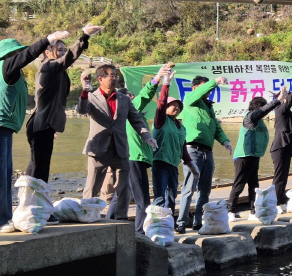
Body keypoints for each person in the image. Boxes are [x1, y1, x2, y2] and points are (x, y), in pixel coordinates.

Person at [0, 31, 70, 233]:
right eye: (17, 52)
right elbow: (28, 55)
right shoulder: (6, 66)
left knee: (4, 176)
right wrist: (47, 40)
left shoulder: (9, 71)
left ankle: (4, 218)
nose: (20, 55)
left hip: (4, 130)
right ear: (10, 55)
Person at [77, 65, 157, 220]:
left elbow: (137, 120)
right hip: (98, 149)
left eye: (115, 75)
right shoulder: (92, 97)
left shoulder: (124, 99)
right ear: (100, 79)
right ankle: (86, 217)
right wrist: (85, 90)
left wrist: (147, 136)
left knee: (124, 188)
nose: (115, 78)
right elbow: (81, 110)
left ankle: (121, 219)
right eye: (111, 76)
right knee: (92, 187)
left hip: (120, 149)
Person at [26, 23, 103, 183]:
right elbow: (69, 57)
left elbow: (55, 100)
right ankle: (34, 202)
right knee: (40, 169)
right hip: (40, 125)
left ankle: (29, 199)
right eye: (59, 50)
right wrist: (84, 36)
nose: (62, 53)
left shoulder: (58, 72)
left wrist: (84, 87)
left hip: (45, 124)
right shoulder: (48, 67)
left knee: (37, 165)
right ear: (47, 53)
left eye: (63, 50)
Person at [176, 75, 232, 234]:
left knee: (205, 190)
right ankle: (181, 222)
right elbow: (200, 92)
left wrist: (225, 141)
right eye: (204, 86)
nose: (209, 91)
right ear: (195, 88)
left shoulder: (209, 107)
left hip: (208, 151)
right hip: (192, 150)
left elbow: (216, 128)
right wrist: (215, 82)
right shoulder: (190, 99)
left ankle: (198, 222)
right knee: (189, 188)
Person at [118, 66, 170, 234]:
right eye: (130, 96)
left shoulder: (131, 114)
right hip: (135, 158)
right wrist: (157, 79)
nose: (132, 97)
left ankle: (112, 225)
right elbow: (145, 96)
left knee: (121, 196)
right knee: (143, 200)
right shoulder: (130, 108)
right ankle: (140, 232)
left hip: (133, 158)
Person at [228, 91, 282, 222]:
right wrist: (276, 100)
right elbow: (262, 111)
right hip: (243, 155)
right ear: (257, 107)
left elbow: (265, 111)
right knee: (239, 184)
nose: (265, 112)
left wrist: (280, 98)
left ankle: (253, 211)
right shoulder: (250, 117)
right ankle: (230, 211)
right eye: (262, 107)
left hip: (254, 155)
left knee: (254, 185)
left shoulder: (259, 119)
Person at [151, 69, 200, 215]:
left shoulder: (180, 127)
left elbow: (183, 148)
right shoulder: (161, 121)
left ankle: (169, 225)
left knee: (172, 197)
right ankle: (156, 225)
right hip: (160, 162)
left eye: (179, 106)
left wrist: (191, 165)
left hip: (173, 164)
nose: (177, 108)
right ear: (166, 107)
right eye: (174, 105)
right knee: (160, 196)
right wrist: (166, 83)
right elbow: (160, 103)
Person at [270, 73, 292, 213]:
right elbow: (288, 102)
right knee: (279, 176)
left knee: (284, 175)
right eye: (285, 97)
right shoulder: (279, 110)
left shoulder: (286, 112)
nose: (287, 98)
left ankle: (281, 200)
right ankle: (275, 202)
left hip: (287, 146)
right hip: (279, 147)